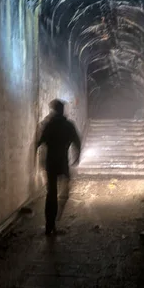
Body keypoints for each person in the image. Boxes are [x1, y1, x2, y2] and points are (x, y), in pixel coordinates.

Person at [36, 99, 81, 235]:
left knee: (52, 194)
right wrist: (76, 157)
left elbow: (40, 142)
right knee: (64, 193)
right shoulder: (68, 125)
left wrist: (36, 160)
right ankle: (55, 220)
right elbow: (77, 142)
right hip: (62, 163)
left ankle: (50, 224)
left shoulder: (50, 125)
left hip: (51, 164)